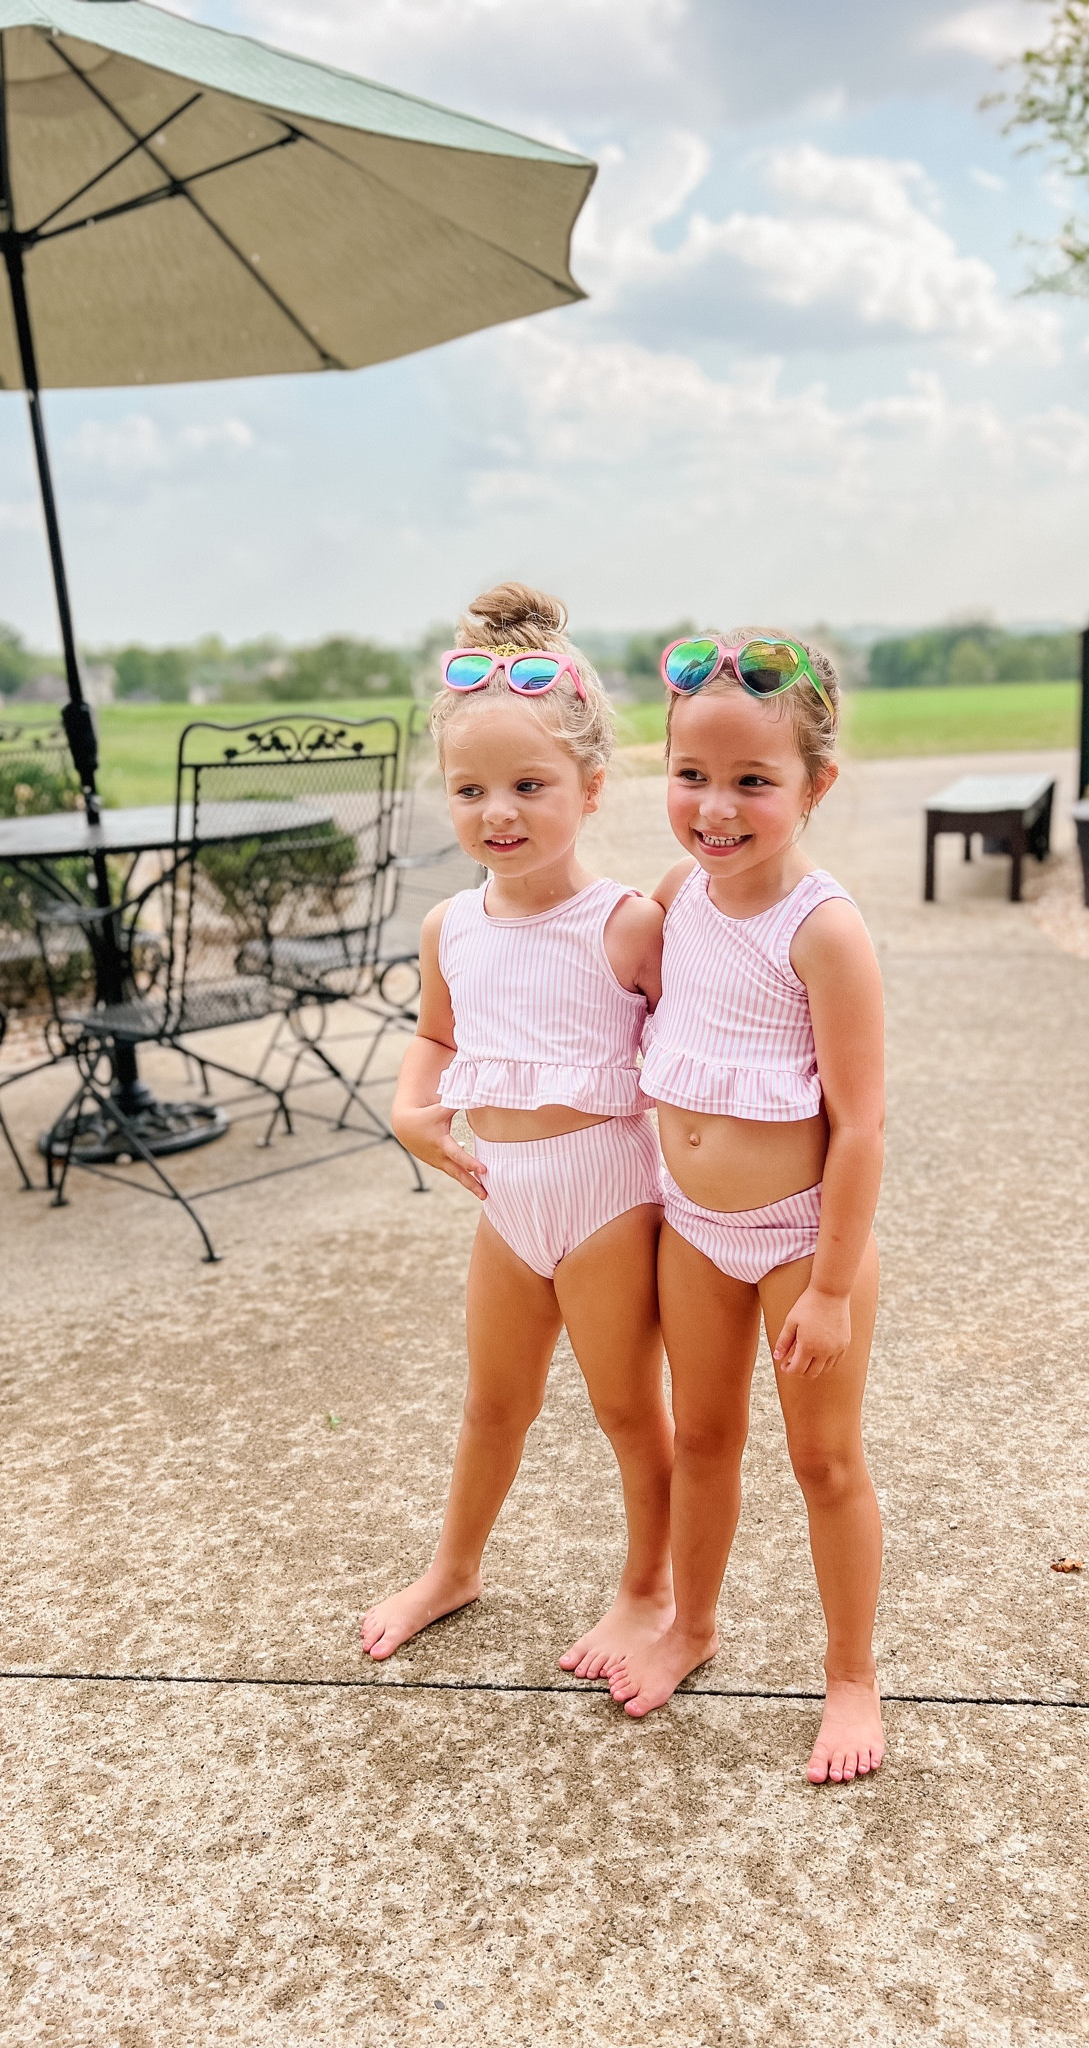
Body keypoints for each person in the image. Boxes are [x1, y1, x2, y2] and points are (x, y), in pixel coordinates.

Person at [362, 583, 674, 1679]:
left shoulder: (628, 922)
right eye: (470, 789)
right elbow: (434, 1042)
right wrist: (410, 1112)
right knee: (493, 1398)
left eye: (529, 785)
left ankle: (651, 1587)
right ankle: (454, 1563)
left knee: (628, 1408)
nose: (499, 810)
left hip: (606, 1195)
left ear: (591, 789)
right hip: (505, 1197)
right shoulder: (451, 924)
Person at [609, 631, 887, 1784]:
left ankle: (852, 1673)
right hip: (694, 1228)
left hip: (799, 1242)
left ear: (815, 786)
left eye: (753, 782)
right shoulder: (679, 897)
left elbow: (862, 1125)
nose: (715, 808)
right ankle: (690, 1619)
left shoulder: (823, 930)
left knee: (822, 1461)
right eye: (692, 776)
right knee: (704, 1436)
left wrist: (828, 1287)